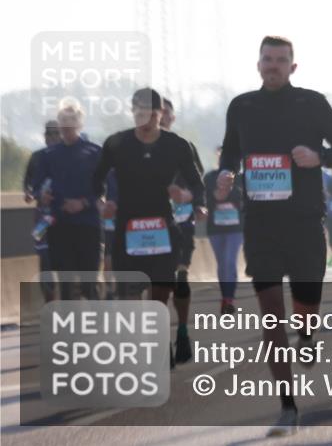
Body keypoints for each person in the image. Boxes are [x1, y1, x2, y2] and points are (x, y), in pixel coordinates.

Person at [216, 36, 332, 436]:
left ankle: (308, 333)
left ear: (293, 67)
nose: (273, 66)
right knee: (272, 317)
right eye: (267, 59)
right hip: (260, 223)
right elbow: (229, 154)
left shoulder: (311, 102)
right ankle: (287, 405)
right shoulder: (241, 106)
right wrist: (225, 177)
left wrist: (320, 158)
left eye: (281, 60)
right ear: (258, 64)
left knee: (306, 305)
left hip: (305, 220)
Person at [92, 88, 207, 366]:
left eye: (152, 115)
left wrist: (191, 199)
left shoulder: (177, 145)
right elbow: (96, 181)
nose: (146, 121)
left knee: (159, 292)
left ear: (161, 115)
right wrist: (101, 203)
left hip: (162, 226)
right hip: (127, 226)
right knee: (130, 291)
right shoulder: (116, 144)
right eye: (139, 114)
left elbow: (197, 183)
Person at [32, 106, 104, 300]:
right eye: (63, 121)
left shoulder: (94, 152)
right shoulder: (49, 155)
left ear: (79, 124)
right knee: (66, 282)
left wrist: (83, 203)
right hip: (60, 225)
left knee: (88, 280)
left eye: (71, 121)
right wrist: (42, 195)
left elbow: (102, 187)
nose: (66, 126)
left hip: (88, 224)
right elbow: (36, 185)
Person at [160, 97, 205, 363]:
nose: (160, 117)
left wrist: (194, 201)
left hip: (181, 221)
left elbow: (198, 185)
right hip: (150, 224)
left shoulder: (183, 146)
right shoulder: (134, 148)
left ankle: (184, 332)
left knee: (179, 277)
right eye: (155, 112)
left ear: (172, 118)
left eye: (165, 113)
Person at [23, 120, 60, 303]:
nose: (52, 138)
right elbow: (28, 183)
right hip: (42, 220)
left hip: (65, 218)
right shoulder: (36, 156)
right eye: (49, 134)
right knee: (45, 262)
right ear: (44, 137)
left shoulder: (68, 157)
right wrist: (31, 194)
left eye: (55, 134)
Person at [204, 146, 243, 315]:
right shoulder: (210, 177)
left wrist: (229, 191)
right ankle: (224, 295)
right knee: (221, 263)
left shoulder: (240, 179)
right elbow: (206, 200)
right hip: (216, 228)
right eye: (220, 155)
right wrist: (216, 195)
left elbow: (243, 199)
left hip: (236, 228)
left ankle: (229, 299)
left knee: (229, 260)